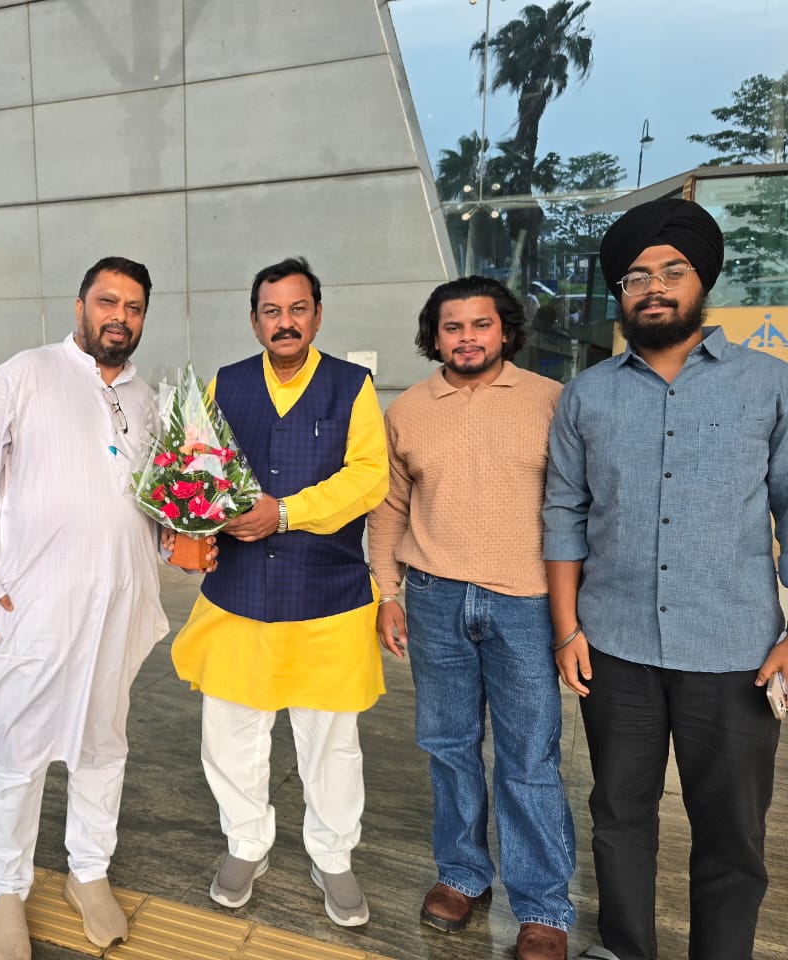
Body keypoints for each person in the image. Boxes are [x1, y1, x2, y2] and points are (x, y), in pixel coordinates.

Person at [544, 197, 788, 960]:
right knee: (619, 815)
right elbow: (564, 513)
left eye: (671, 271)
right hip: (614, 645)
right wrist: (567, 629)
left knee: (732, 831)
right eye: (635, 277)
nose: (653, 287)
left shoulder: (769, 384)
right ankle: (625, 948)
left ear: (701, 281)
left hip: (735, 652)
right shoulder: (587, 394)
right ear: (620, 295)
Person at [0, 257, 169, 960]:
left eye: (133, 307)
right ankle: (4, 891)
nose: (119, 317)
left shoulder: (148, 399)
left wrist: (182, 541)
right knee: (21, 749)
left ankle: (88, 872)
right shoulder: (25, 374)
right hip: (35, 603)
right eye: (108, 301)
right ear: (80, 306)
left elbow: (157, 501)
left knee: (104, 743)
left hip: (121, 602)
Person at [170, 256, 389, 927]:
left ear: (317, 316)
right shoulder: (225, 383)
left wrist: (287, 512)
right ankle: (246, 843)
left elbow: (369, 477)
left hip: (329, 594)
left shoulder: (351, 386)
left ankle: (333, 856)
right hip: (238, 592)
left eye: (297, 309)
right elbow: (196, 469)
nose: (284, 322)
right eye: (272, 311)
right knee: (231, 731)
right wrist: (188, 526)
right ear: (254, 320)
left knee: (331, 742)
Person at [368, 276, 574, 960]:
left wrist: (576, 614)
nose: (466, 338)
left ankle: (542, 907)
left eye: (480, 325)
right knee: (448, 745)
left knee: (530, 757)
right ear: (435, 336)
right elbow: (390, 509)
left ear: (505, 331)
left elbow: (578, 506)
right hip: (434, 599)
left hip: (527, 602)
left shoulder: (551, 401)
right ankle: (461, 874)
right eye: (451, 327)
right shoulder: (407, 410)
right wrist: (387, 593)